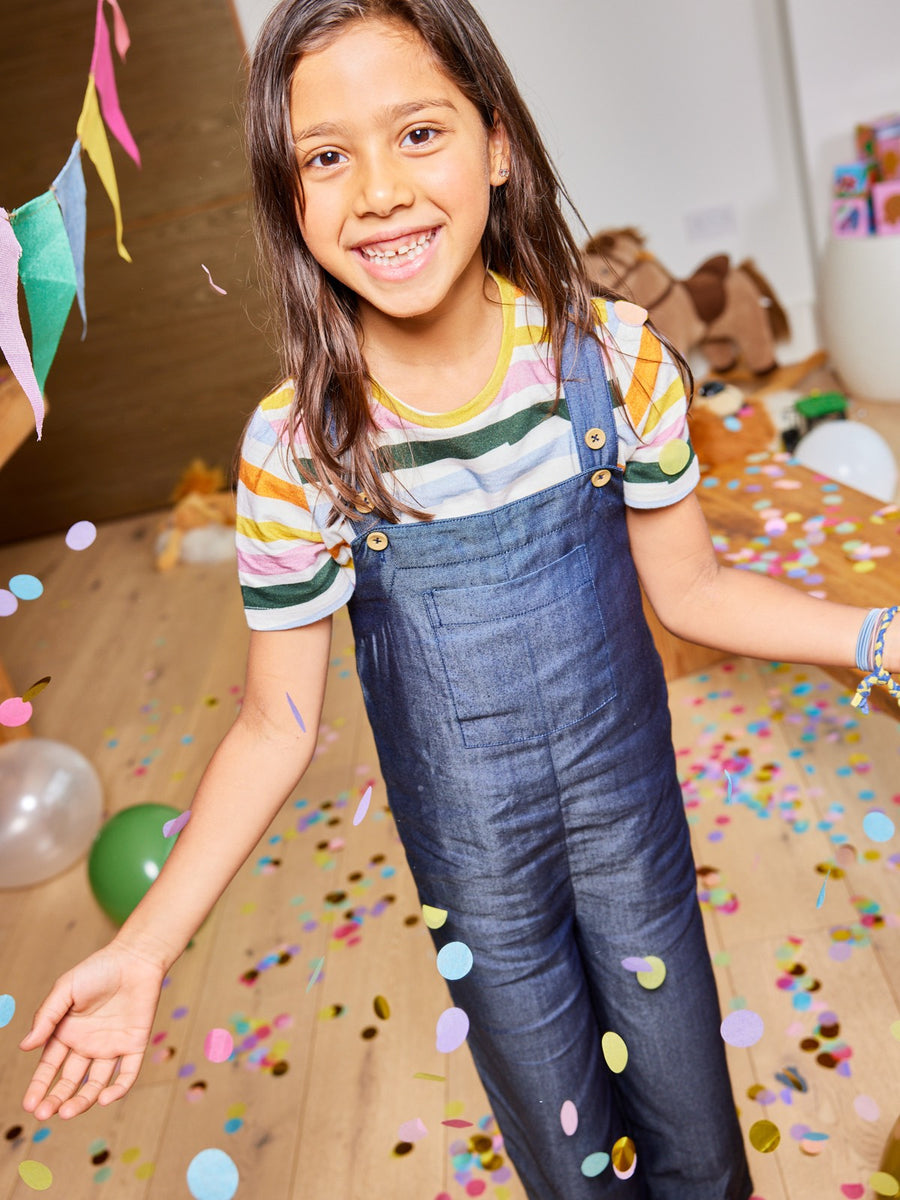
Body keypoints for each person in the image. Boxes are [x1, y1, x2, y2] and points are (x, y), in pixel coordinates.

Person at [18, 1, 900, 1196]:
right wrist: (143, 948)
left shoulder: (615, 359)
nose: (377, 190)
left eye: (418, 133)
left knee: (691, 1111)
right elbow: (278, 724)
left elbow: (691, 591)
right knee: (560, 1131)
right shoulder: (298, 448)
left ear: (497, 143)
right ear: (290, 197)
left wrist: (875, 633)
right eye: (326, 157)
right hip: (476, 874)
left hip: (631, 827)